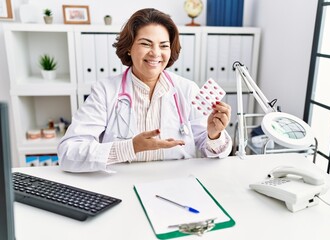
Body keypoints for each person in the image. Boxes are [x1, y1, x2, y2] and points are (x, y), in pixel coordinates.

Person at [57, 8, 232, 172]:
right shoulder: (105, 91)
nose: (156, 53)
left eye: (164, 45)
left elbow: (210, 152)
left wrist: (214, 134)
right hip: (121, 185)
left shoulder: (187, 89)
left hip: (177, 183)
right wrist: (130, 148)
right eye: (146, 44)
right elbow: (68, 153)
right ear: (128, 48)